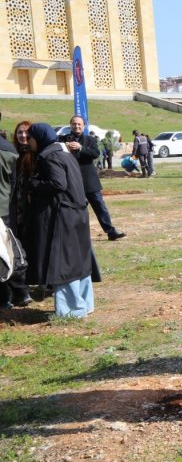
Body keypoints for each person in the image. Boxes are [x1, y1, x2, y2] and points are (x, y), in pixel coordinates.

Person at [25, 123, 101, 318]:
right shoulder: (65, 153)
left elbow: (58, 183)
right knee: (79, 262)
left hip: (64, 216)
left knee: (64, 263)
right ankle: (84, 304)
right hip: (77, 213)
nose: (28, 142)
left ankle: (71, 311)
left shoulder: (49, 156)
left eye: (30, 138)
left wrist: (33, 183)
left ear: (39, 138)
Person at [61, 116, 126, 241]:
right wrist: (66, 148)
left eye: (79, 124)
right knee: (75, 209)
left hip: (89, 180)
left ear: (84, 126)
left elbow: (95, 154)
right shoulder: (63, 140)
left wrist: (80, 148)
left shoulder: (90, 140)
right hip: (72, 180)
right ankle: (75, 235)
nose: (76, 126)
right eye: (74, 124)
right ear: (70, 125)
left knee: (100, 206)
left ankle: (111, 231)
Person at [0, 126, 30, 309]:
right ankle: (19, 293)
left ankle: (11, 295)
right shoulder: (9, 149)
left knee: (8, 253)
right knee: (10, 250)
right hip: (5, 207)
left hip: (3, 209)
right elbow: (13, 184)